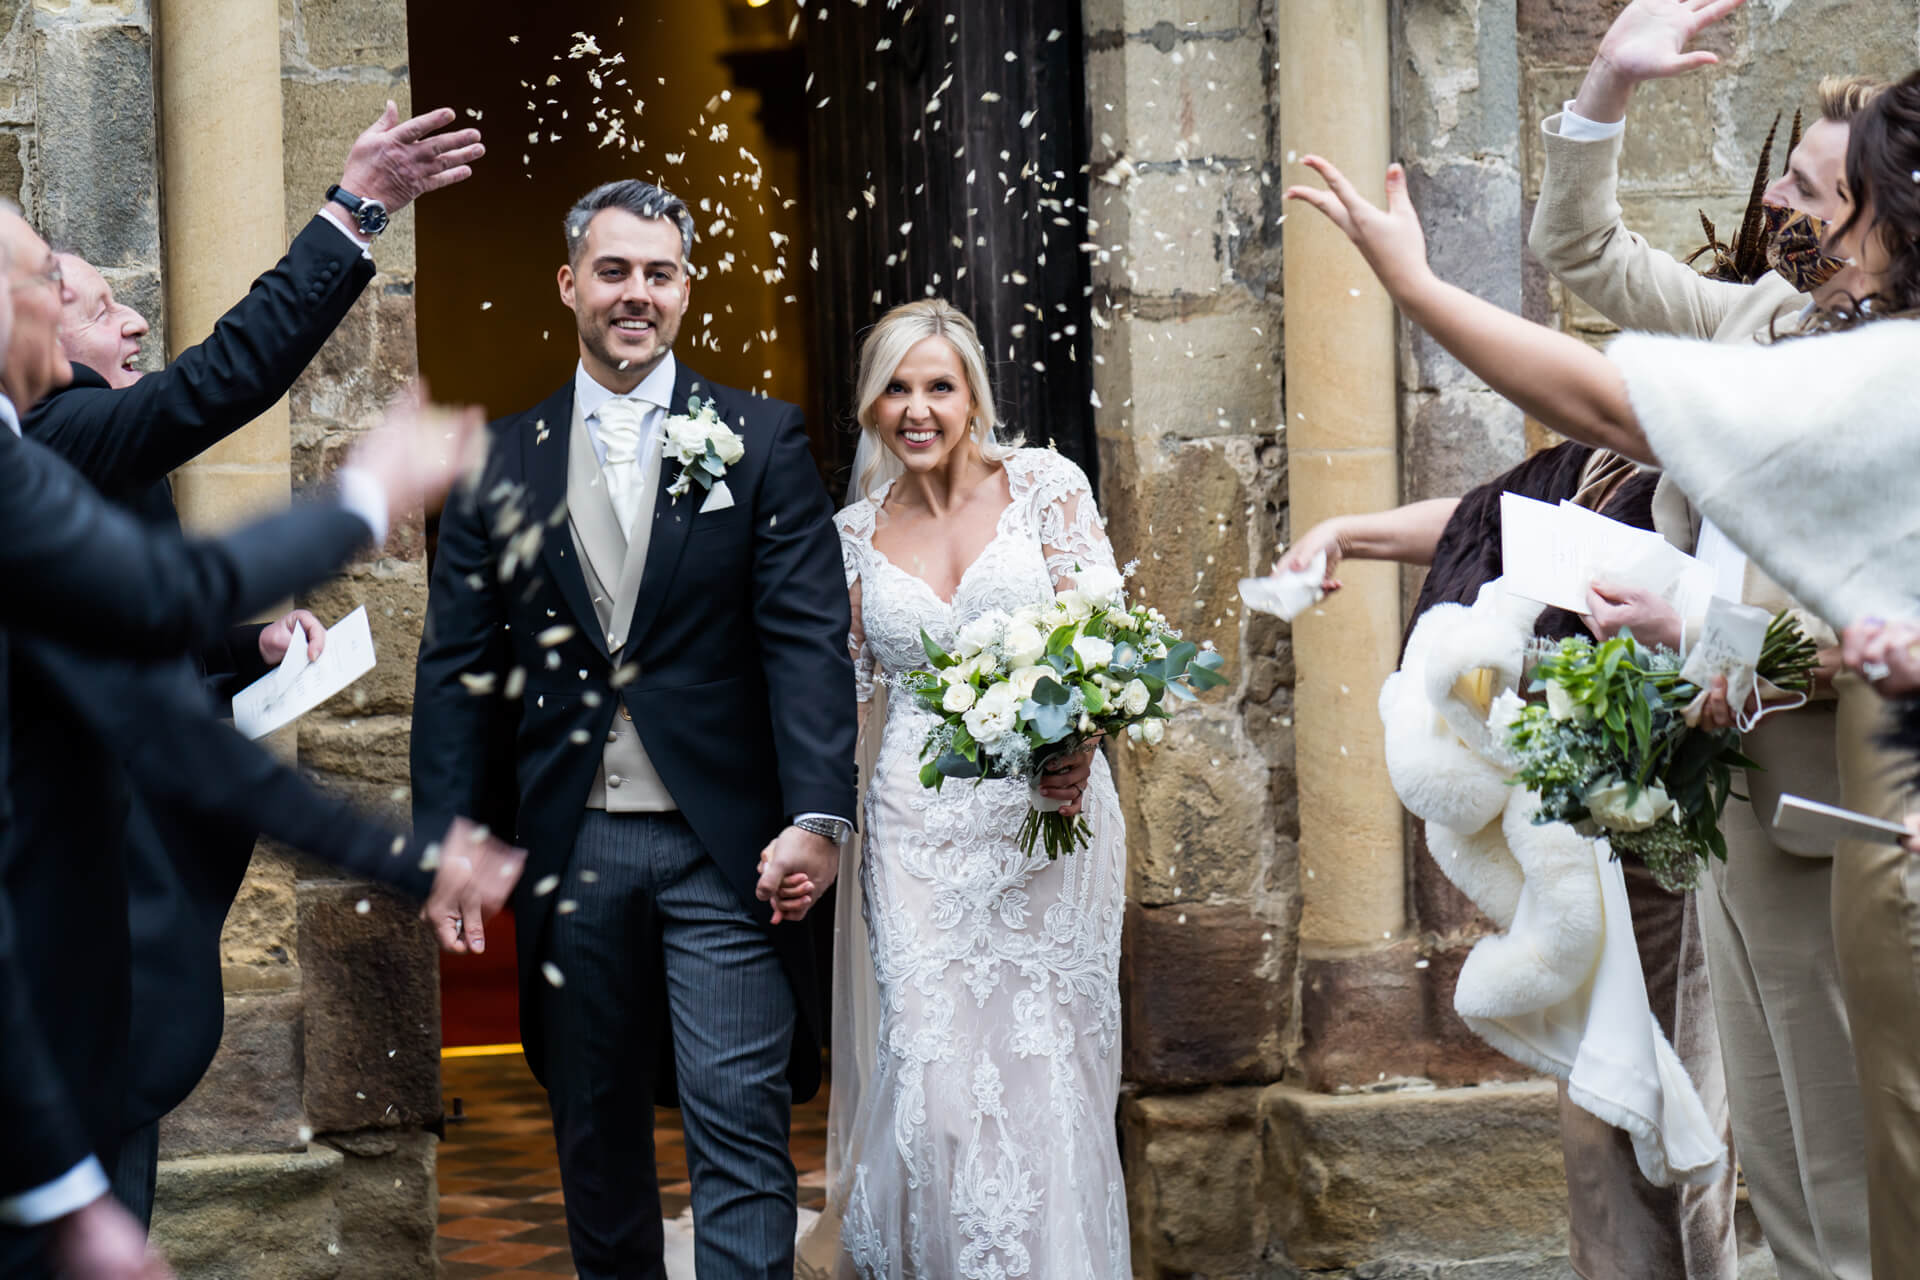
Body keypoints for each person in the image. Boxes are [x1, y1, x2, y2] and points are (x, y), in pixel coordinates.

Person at [1284, 63, 1920, 1278]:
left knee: (1855, 1184)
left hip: (1849, 819)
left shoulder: (1885, 383)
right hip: (1738, 804)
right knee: (1781, 1178)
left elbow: (1834, 619)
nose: (1806, 218)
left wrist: (1414, 282)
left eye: (1834, 195)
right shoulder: (1785, 331)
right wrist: (1612, 79)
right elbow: (1582, 277)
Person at [0, 208, 517, 1277]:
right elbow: (172, 588)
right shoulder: (29, 466)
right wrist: (367, 495)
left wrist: (402, 857)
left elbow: (168, 719)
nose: (60, 302)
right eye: (43, 283)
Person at [411, 177, 858, 1279]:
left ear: (686, 292)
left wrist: (815, 816)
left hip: (727, 845)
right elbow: (459, 665)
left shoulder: (759, 441)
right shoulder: (494, 461)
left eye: (658, 273)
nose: (635, 294)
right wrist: (452, 834)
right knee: (596, 1141)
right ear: (569, 285)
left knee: (739, 1123)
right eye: (614, 270)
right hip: (573, 845)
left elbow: (804, 644)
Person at [1282, 442, 1739, 1279]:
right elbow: (1475, 523)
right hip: (1577, 837)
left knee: (1657, 1116)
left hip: (1662, 831)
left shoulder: (1714, 461)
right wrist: (1346, 531)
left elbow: (1755, 630)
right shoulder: (1584, 462)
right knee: (1595, 1126)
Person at [794, 298, 1122, 1278]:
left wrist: (1083, 737)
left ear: (974, 393)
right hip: (917, 825)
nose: (918, 406)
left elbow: (1109, 643)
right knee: (934, 1075)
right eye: (897, 386)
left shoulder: (1047, 487)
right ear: (872, 406)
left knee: (1043, 1070)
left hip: (1042, 818)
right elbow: (841, 696)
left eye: (938, 384)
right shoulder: (852, 533)